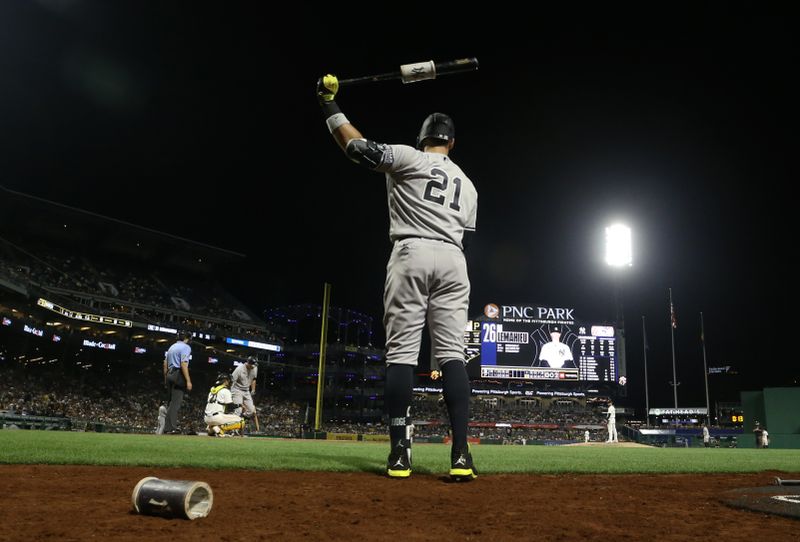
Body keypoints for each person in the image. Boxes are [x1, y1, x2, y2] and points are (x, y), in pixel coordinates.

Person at [317, 74, 478, 481]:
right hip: (455, 260)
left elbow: (356, 147)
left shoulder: (410, 157)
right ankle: (461, 457)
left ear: (423, 138)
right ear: (452, 143)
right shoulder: (469, 184)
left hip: (412, 251)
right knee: (453, 356)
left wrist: (328, 104)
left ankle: (400, 456)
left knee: (403, 355)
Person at [162, 331, 192, 434]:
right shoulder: (186, 347)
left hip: (169, 374)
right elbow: (183, 364)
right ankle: (172, 427)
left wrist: (165, 377)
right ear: (187, 338)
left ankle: (167, 428)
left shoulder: (172, 346)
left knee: (171, 402)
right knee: (176, 403)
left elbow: (165, 363)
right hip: (178, 374)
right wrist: (188, 381)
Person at [231, 356, 258, 421]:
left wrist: (253, 390)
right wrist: (230, 393)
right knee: (238, 410)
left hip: (246, 390)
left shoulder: (255, 368)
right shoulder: (239, 369)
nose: (253, 366)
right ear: (248, 363)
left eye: (255, 365)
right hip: (237, 389)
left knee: (251, 410)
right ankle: (234, 429)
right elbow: (231, 380)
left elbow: (254, 379)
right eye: (252, 365)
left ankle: (241, 419)